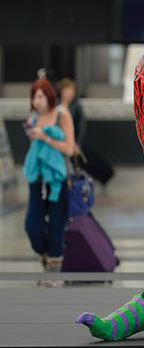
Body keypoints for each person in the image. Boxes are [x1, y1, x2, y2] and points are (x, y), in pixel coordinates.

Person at [23, 77, 75, 273]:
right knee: (32, 227)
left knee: (56, 228)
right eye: (33, 97)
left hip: (57, 180)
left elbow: (69, 149)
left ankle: (54, 270)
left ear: (49, 95)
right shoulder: (33, 118)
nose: (36, 101)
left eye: (40, 96)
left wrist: (44, 136)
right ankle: (46, 257)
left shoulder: (62, 115)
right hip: (37, 180)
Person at [58, 78, 86, 156]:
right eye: (67, 90)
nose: (69, 94)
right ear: (62, 91)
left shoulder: (76, 106)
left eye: (72, 91)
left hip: (70, 141)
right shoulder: (56, 104)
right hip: (57, 139)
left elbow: (80, 127)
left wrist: (77, 143)